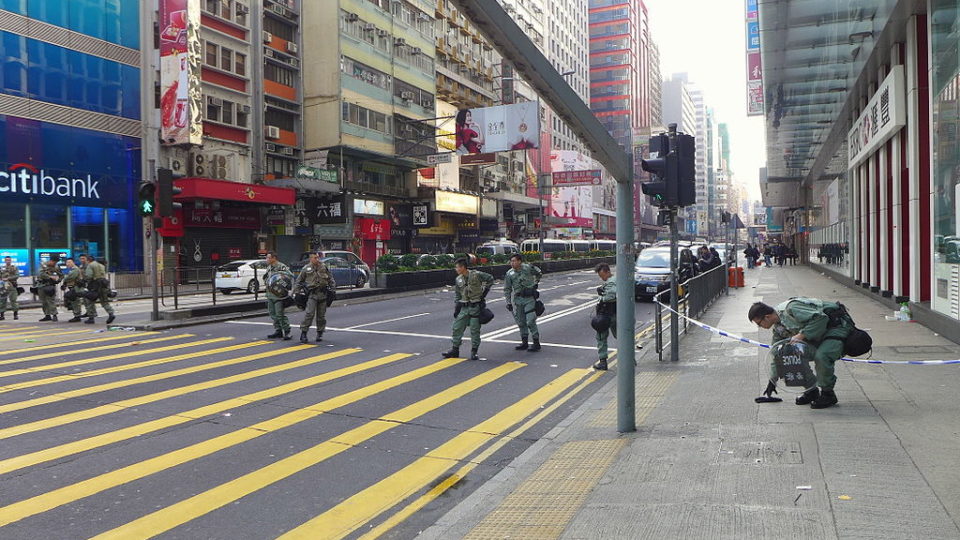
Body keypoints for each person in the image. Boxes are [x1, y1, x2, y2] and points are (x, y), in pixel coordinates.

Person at [749, 298, 854, 409]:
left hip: (837, 328)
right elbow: (776, 354)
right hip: (819, 335)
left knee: (822, 356)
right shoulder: (779, 328)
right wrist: (772, 381)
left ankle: (828, 394)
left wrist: (801, 335)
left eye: (759, 324)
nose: (760, 327)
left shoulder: (792, 309)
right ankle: (811, 390)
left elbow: (821, 318)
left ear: (767, 317)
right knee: (786, 352)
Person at [442, 258, 493, 361]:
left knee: (474, 330)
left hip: (475, 307)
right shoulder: (458, 279)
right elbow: (457, 293)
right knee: (457, 327)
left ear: (462, 267)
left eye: (457, 267)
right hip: (464, 307)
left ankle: (474, 351)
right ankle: (455, 350)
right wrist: (457, 306)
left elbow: (490, 279)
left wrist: (484, 292)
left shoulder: (476, 274)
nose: (456, 269)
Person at [504, 253, 543, 352]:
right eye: (511, 261)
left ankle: (536, 342)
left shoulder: (528, 268)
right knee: (521, 322)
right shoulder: (509, 274)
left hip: (529, 298)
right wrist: (508, 302)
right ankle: (524, 342)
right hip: (518, 300)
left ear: (519, 261)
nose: (512, 263)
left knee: (530, 320)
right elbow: (507, 289)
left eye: (514, 261)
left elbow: (539, 273)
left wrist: (535, 284)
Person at [296, 252, 335, 343]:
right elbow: (299, 281)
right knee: (309, 314)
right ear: (311, 259)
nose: (317, 259)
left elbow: (330, 279)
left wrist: (333, 290)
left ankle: (320, 332)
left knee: (321, 316)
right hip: (312, 294)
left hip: (323, 294)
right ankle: (304, 332)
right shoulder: (306, 269)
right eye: (315, 258)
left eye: (318, 257)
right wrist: (296, 293)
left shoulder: (323, 267)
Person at [593, 263, 617, 371]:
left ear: (608, 272)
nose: (602, 278)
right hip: (614, 313)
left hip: (607, 314)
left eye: (602, 275)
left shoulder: (612, 282)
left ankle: (603, 362)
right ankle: (630, 359)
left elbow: (611, 296)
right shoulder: (613, 280)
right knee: (621, 337)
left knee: (601, 338)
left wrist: (602, 296)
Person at [263, 251, 292, 340]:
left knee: (279, 313)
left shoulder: (281, 266)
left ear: (274, 258)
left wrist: (281, 279)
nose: (266, 259)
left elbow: (289, 276)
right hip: (270, 293)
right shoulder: (269, 268)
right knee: (272, 313)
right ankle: (278, 330)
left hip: (278, 294)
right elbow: (266, 278)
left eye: (268, 257)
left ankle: (286, 330)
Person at [80, 254, 115, 324]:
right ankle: (111, 313)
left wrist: (84, 281)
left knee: (89, 301)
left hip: (94, 285)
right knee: (104, 301)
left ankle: (91, 318)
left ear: (88, 260)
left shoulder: (90, 265)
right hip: (103, 284)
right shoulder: (101, 265)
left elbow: (89, 276)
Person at [36, 257, 63, 322]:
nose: (54, 263)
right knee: (43, 301)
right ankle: (47, 315)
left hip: (50, 286)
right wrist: (50, 277)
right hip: (41, 285)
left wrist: (58, 281)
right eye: (54, 262)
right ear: (50, 261)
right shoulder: (43, 265)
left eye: (56, 262)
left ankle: (54, 315)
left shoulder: (56, 267)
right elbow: (41, 274)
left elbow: (61, 275)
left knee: (51, 301)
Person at [61, 258, 85, 322]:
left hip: (76, 288)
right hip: (73, 287)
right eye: (67, 262)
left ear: (73, 262)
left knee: (75, 302)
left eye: (69, 262)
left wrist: (65, 279)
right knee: (73, 301)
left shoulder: (75, 269)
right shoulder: (72, 270)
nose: (67, 264)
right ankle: (76, 315)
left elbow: (70, 277)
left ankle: (77, 316)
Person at [0, 256, 20, 320]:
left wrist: (8, 278)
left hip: (12, 285)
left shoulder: (14, 268)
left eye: (9, 260)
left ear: (11, 260)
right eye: (6, 260)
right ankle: (2, 315)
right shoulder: (2, 268)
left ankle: (15, 314)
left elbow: (17, 275)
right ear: (4, 261)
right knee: (2, 300)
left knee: (13, 300)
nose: (8, 261)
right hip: (3, 286)